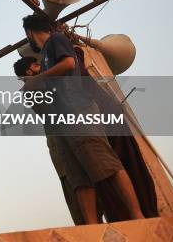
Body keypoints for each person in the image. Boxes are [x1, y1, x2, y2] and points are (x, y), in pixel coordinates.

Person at [21, 14, 145, 224]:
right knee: (79, 178)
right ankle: (91, 228)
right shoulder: (46, 57)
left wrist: (39, 79)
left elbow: (69, 63)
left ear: (29, 32)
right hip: (64, 119)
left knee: (106, 163)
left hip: (78, 110)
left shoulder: (56, 40)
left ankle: (137, 215)